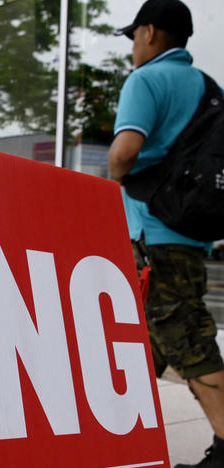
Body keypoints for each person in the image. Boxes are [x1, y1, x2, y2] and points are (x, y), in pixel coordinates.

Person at [108, 1, 224, 466]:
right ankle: (120, 429)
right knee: (146, 338)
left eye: (134, 35)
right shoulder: (208, 88)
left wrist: (112, 178)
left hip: (156, 234)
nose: (134, 45)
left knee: (186, 338)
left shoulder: (146, 80)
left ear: (150, 32)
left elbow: (124, 152)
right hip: (192, 231)